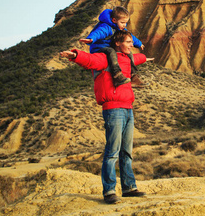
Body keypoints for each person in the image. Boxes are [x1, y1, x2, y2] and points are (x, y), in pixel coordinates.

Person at [60, 30, 154, 204]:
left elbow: (136, 58)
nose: (131, 45)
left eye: (131, 42)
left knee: (127, 152)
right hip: (113, 109)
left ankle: (129, 187)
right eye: (127, 42)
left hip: (128, 109)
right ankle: (109, 191)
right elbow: (90, 61)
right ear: (117, 43)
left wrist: (144, 58)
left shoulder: (127, 59)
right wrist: (75, 55)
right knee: (112, 152)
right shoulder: (106, 58)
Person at [80, 6, 148, 87]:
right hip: (99, 48)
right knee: (111, 51)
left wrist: (139, 44)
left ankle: (133, 76)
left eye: (126, 23)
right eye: (122, 22)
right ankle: (117, 75)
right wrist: (91, 39)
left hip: (109, 47)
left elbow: (130, 36)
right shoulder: (106, 27)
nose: (124, 25)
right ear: (114, 20)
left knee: (129, 53)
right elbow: (99, 33)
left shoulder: (118, 28)